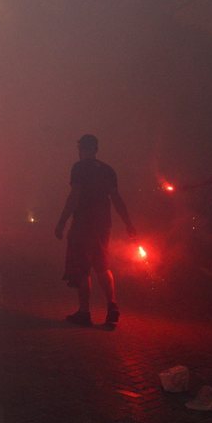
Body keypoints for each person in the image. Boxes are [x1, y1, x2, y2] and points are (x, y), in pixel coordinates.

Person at [54, 134, 136, 328]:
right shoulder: (108, 170)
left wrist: (61, 222)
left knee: (82, 268)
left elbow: (74, 196)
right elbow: (116, 199)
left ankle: (84, 312)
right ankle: (112, 307)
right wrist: (128, 224)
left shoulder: (79, 168)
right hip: (103, 224)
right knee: (102, 265)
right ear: (96, 149)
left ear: (81, 149)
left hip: (83, 222)